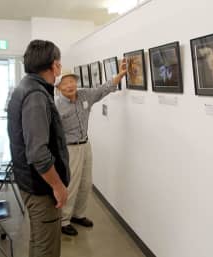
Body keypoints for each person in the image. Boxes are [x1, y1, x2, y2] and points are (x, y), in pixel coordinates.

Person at [7, 40, 70, 257]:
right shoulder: (35, 95)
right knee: (47, 249)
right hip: (40, 187)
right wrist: (58, 186)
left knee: (38, 242)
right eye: (59, 63)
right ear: (54, 65)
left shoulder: (27, 87)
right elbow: (38, 152)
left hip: (31, 181)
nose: (60, 68)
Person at [56, 60, 126, 236]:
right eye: (65, 83)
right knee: (71, 185)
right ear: (59, 87)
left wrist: (121, 74)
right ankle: (64, 220)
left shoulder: (85, 95)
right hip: (69, 149)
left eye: (72, 81)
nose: (70, 85)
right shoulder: (56, 106)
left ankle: (78, 215)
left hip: (85, 144)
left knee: (86, 183)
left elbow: (104, 88)